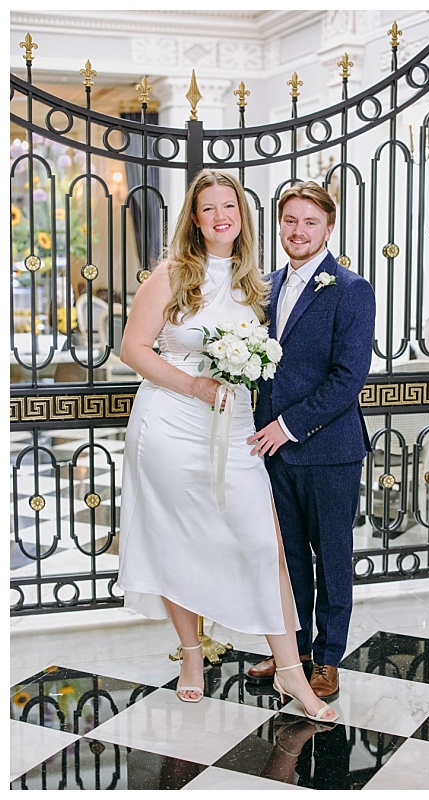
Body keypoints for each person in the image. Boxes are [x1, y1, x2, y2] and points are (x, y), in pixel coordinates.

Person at [116, 169, 335, 722]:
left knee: (266, 545)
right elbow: (133, 348)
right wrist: (193, 384)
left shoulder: (254, 283)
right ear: (195, 218)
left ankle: (291, 672)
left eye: (229, 208)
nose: (220, 218)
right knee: (174, 540)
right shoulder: (171, 275)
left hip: (234, 427)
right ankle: (192, 656)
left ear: (243, 216)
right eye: (209, 209)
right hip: (169, 423)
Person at [243, 180, 376, 703]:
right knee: (287, 554)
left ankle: (327, 660)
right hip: (270, 450)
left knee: (333, 556)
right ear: (279, 225)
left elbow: (348, 377)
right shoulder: (262, 286)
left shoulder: (350, 288)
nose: (299, 231)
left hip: (328, 448)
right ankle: (290, 654)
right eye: (290, 221)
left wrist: (289, 426)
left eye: (310, 222)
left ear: (329, 228)